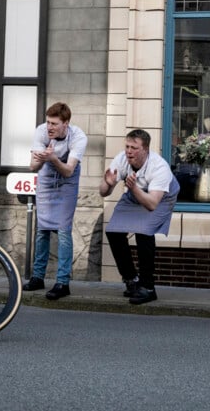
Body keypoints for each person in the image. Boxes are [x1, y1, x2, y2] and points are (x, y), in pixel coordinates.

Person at [99, 129, 179, 305]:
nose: (129, 151)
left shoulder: (159, 167)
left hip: (161, 197)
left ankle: (148, 287)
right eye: (127, 146)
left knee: (144, 232)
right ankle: (131, 280)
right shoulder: (122, 159)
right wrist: (108, 184)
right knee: (113, 231)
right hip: (135, 192)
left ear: (145, 150)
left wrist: (133, 188)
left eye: (134, 148)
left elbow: (151, 204)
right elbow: (103, 193)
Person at [22, 102, 88, 300]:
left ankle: (62, 282)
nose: (49, 127)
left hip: (67, 182)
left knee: (63, 230)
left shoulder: (78, 137)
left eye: (54, 123)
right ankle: (38, 277)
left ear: (65, 124)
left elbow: (68, 171)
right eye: (48, 122)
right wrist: (43, 158)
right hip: (46, 178)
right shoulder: (41, 131)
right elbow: (33, 167)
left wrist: (53, 159)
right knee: (42, 229)